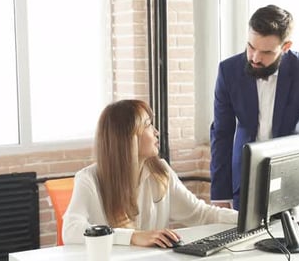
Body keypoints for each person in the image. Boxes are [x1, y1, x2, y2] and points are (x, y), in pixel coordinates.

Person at [209, 4, 299, 217]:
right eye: (251, 46)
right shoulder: (228, 70)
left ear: (286, 46)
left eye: (266, 52)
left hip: (292, 178)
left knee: (291, 246)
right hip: (245, 179)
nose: (255, 58)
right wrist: (220, 196)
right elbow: (221, 134)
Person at [63, 99, 237, 248]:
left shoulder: (160, 171)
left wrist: (249, 218)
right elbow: (71, 230)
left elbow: (201, 214)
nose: (156, 132)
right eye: (147, 125)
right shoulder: (89, 179)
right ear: (128, 138)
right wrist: (132, 237)